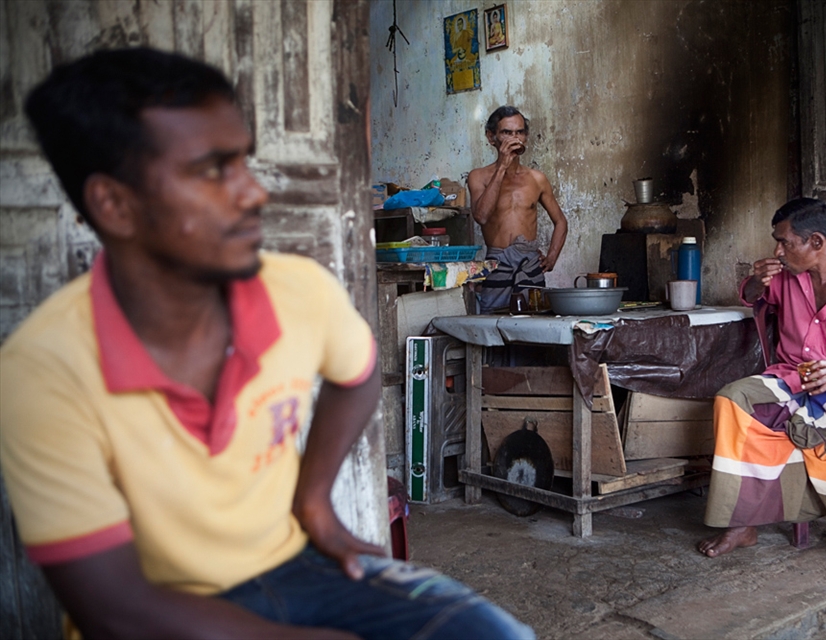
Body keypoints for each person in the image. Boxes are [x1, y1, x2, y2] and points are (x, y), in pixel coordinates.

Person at [0, 48, 534, 640]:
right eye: (212, 170)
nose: (253, 192)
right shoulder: (43, 370)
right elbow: (116, 608)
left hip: (294, 569)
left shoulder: (294, 289)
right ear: (115, 204)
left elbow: (356, 375)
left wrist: (313, 503)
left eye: (243, 162)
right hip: (161, 615)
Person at [698, 198, 826, 558]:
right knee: (732, 400)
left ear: (816, 242)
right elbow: (751, 297)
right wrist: (756, 282)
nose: (777, 252)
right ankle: (742, 524)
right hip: (790, 378)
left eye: (785, 243)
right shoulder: (785, 275)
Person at [467, 106, 567, 314]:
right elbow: (481, 216)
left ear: (526, 137)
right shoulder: (478, 176)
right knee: (493, 322)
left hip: (529, 262)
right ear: (491, 137)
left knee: (533, 320)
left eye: (519, 132)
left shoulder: (537, 179)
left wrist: (551, 257)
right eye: (507, 132)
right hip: (497, 263)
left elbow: (560, 222)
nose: (515, 138)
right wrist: (502, 167)